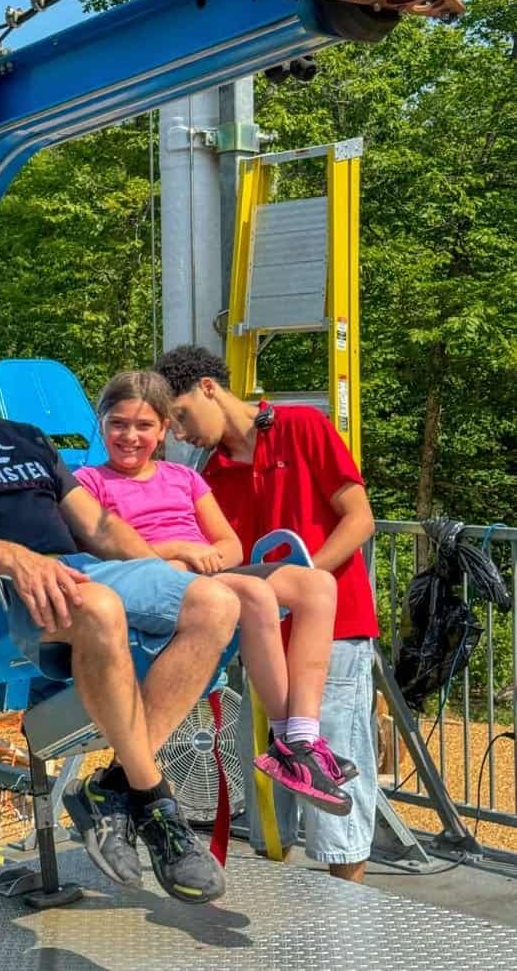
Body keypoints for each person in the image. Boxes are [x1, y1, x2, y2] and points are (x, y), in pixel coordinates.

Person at [0, 297, 241, 904]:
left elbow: (99, 529)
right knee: (99, 607)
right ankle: (155, 804)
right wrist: (16, 558)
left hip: (78, 572)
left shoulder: (26, 439)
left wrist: (162, 576)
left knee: (215, 605)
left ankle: (112, 786)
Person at [75, 371, 354, 815]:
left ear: (164, 429)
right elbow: (103, 549)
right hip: (161, 580)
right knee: (255, 595)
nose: (130, 436)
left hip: (204, 572)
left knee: (318, 584)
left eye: (144, 426)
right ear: (102, 423)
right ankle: (288, 743)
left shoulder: (185, 480)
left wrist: (200, 556)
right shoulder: (88, 483)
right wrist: (180, 552)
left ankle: (301, 732)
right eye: (118, 424)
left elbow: (230, 545)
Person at [155, 346, 379, 883]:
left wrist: (304, 583)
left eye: (180, 416)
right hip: (264, 645)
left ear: (208, 387)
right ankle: (301, 915)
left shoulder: (303, 426)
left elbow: (359, 518)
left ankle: (348, 920)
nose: (180, 434)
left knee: (333, 783)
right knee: (278, 789)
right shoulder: (210, 473)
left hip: (334, 631)